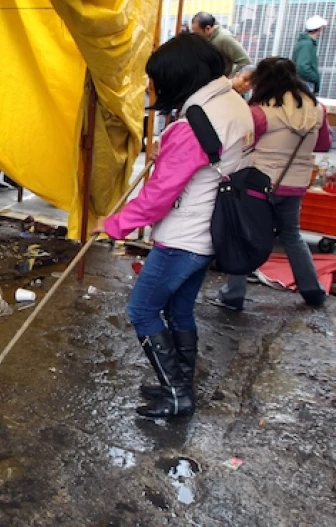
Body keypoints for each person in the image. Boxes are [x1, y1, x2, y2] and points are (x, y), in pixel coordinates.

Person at [95, 33, 255, 418]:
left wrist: (116, 224)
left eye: (159, 80)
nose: (157, 88)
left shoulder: (194, 123)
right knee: (179, 310)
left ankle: (178, 394)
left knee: (143, 310)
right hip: (212, 232)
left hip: (185, 235)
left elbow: (160, 195)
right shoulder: (234, 104)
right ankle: (179, 383)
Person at [216, 58, 331, 311]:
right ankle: (312, 290)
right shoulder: (317, 109)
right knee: (291, 235)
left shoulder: (260, 111)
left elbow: (239, 143)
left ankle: (234, 294)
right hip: (296, 184)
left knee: (245, 235)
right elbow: (323, 144)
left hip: (259, 183)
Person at [191, 11, 252, 78]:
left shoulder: (224, 38)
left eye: (197, 33)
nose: (195, 36)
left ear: (207, 29)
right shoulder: (206, 39)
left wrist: (230, 80)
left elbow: (244, 61)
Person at [292, 15, 328, 94]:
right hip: (305, 84)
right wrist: (315, 77)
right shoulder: (307, 44)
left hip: (301, 83)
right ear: (320, 28)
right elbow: (302, 66)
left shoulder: (304, 43)